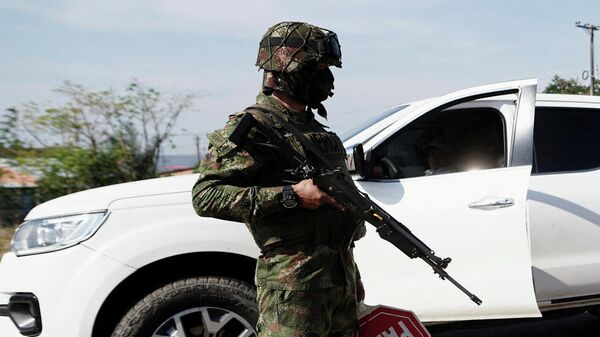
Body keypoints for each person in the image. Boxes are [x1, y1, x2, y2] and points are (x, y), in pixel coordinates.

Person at [192, 21, 365, 337]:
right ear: (281, 70)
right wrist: (290, 195)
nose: (327, 78)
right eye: (317, 68)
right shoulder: (253, 129)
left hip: (339, 283)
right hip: (293, 292)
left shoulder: (316, 130)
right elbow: (206, 195)